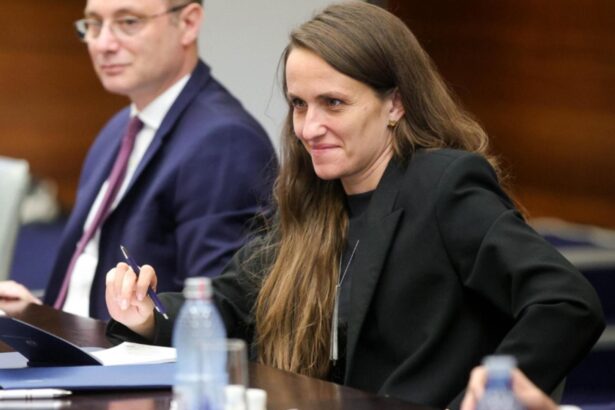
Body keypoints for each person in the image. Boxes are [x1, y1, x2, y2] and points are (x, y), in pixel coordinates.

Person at [104, 3, 604, 409]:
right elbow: (230, 305)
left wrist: (497, 389)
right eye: (299, 104)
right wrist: (148, 315)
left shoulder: (442, 184)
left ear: (395, 104)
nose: (308, 128)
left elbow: (565, 301)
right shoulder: (312, 196)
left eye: (333, 103)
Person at [0, 0, 276, 319]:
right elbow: (89, 281)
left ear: (188, 23)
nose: (103, 44)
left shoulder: (225, 140)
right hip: (73, 341)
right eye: (94, 24)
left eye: (128, 22)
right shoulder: (117, 129)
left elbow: (216, 316)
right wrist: (38, 317)